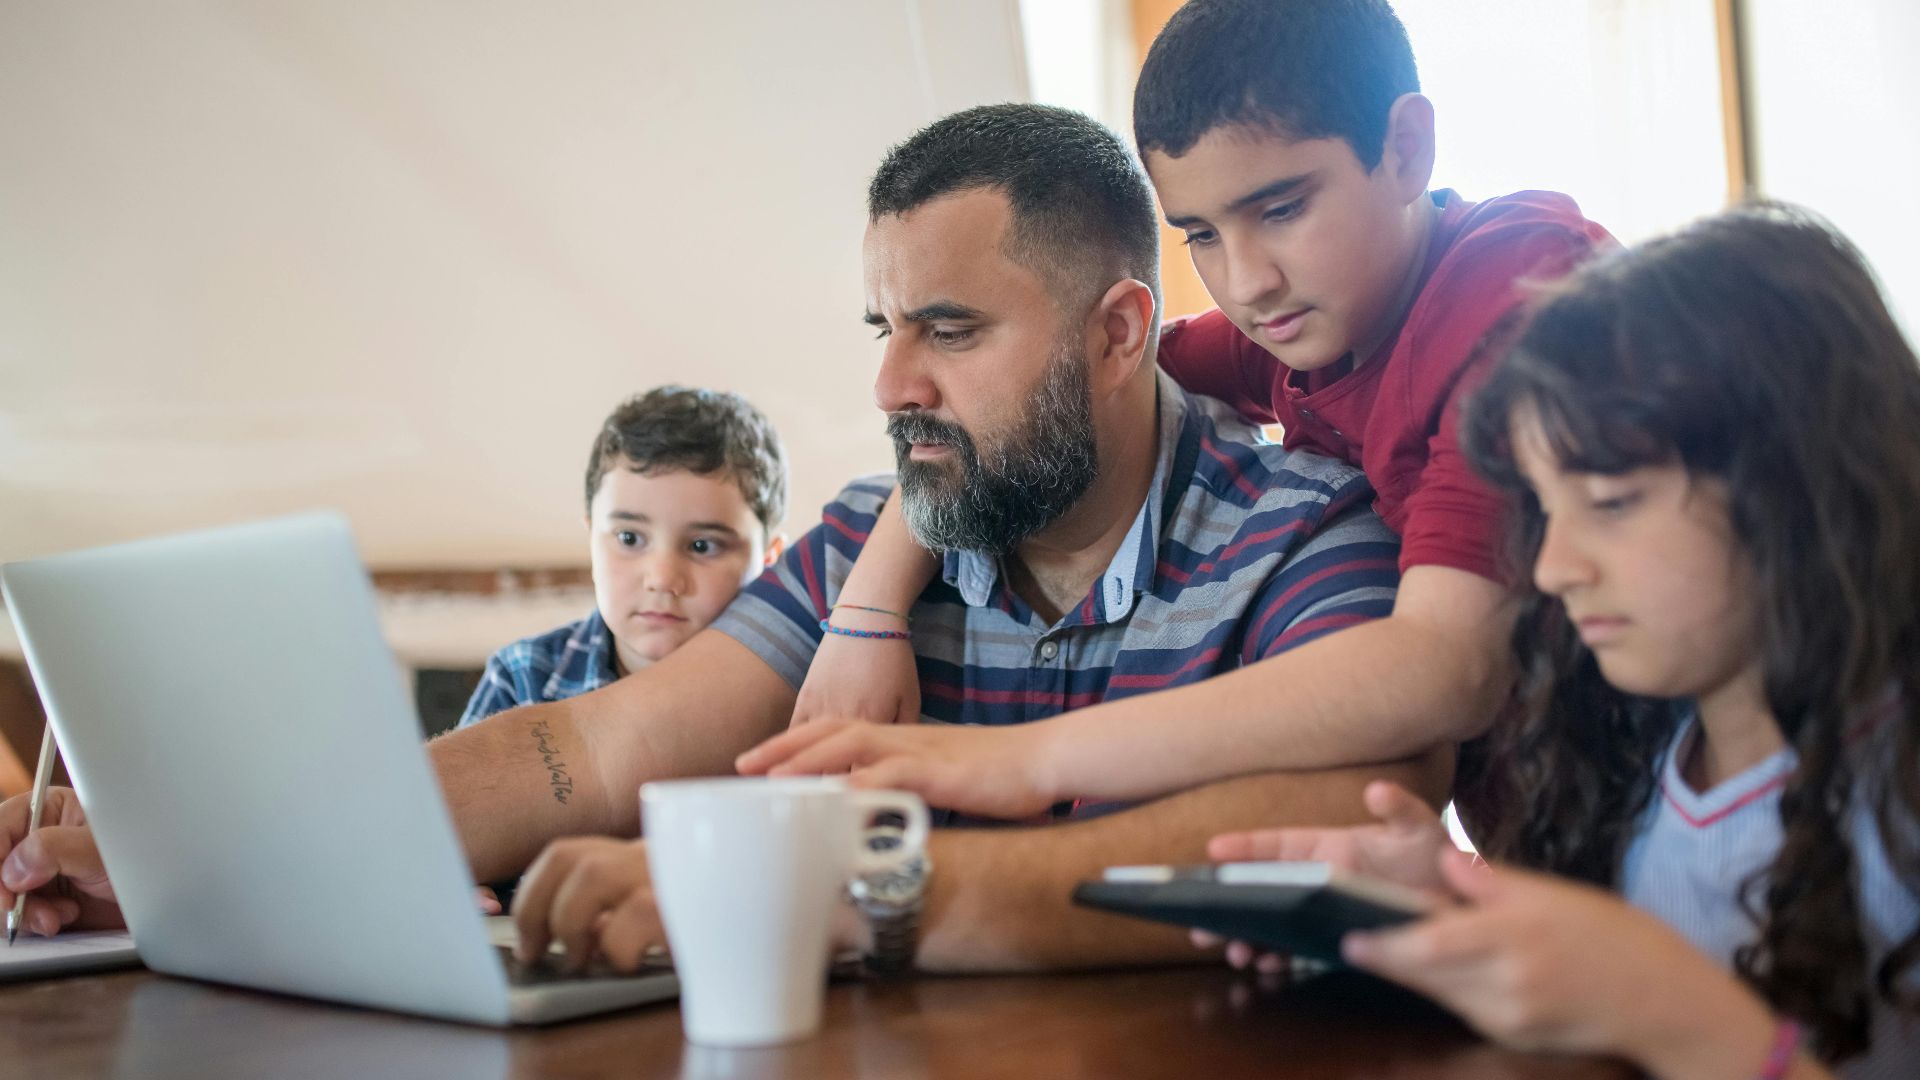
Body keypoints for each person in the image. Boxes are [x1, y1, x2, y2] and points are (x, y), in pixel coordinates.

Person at [1, 104, 1443, 972]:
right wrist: (195, 855)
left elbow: (1320, 829)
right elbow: (585, 751)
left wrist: (806, 893)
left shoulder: (1308, 532)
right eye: (884, 331)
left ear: (1122, 329)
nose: (891, 388)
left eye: (948, 330)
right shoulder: (886, 537)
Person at [757, 0, 1616, 823]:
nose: (1246, 281)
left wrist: (1026, 760)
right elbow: (1027, 393)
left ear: (1406, 148)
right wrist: (867, 611)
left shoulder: (1517, 287)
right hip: (1554, 839)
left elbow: (1446, 667)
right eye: (1200, 233)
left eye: (1282, 209)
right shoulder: (1295, 327)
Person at [1204, 207, 1920, 1078]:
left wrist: (1667, 1005)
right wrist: (1460, 909)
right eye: (1546, 510)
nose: (1551, 569)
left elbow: (1655, 1006)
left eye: (1612, 505)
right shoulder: (1637, 761)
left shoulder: (1897, 797)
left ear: (1800, 487)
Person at [459, 385, 788, 727]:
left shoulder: (804, 688)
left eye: (703, 546)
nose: (662, 579)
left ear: (768, 560)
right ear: (592, 538)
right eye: (629, 538)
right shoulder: (522, 681)